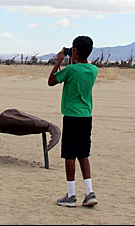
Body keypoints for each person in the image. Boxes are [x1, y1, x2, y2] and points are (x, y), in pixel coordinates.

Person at [47, 35, 98, 208]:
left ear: (74, 51)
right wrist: (73, 59)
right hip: (86, 117)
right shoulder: (93, 70)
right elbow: (80, 69)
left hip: (71, 117)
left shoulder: (70, 71)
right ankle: (89, 192)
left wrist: (59, 61)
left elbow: (51, 81)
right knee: (83, 154)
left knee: (69, 154)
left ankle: (71, 195)